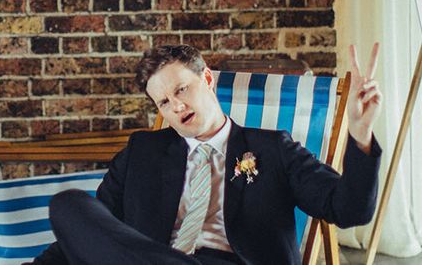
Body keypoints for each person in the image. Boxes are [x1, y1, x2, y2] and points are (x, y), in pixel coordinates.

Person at [31, 43, 383, 265]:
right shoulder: (143, 151)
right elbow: (96, 231)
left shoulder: (272, 148)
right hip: (153, 258)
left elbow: (350, 209)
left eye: (181, 89)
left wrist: (360, 133)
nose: (176, 106)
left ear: (208, 79)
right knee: (70, 204)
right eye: (164, 102)